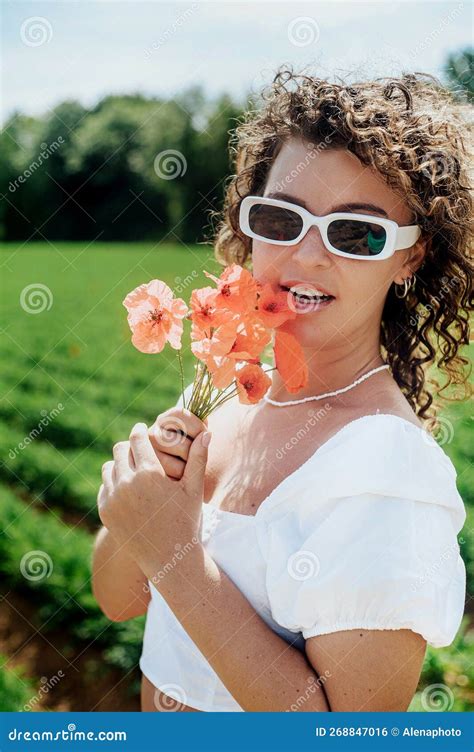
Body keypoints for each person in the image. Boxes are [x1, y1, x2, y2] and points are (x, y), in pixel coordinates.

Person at [92, 67, 472, 712]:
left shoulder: (387, 468)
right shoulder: (222, 394)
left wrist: (174, 554)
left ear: (411, 256)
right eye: (279, 218)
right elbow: (119, 598)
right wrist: (142, 511)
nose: (307, 256)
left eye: (357, 233)